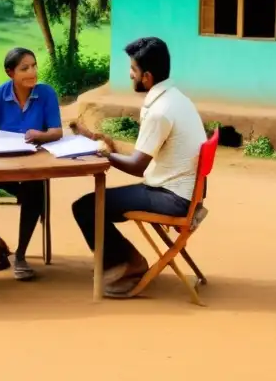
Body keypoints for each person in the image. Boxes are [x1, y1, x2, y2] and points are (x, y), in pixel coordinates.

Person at [71, 37, 206, 298]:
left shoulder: (160, 111)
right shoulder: (176, 98)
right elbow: (142, 154)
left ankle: (127, 265)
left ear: (147, 76)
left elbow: (137, 166)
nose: (129, 74)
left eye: (133, 69)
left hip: (171, 198)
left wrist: (101, 154)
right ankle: (122, 261)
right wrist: (105, 144)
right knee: (94, 205)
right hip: (183, 192)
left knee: (86, 207)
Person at [0, 47, 63, 281]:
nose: (32, 72)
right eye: (25, 68)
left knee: (35, 190)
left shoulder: (46, 93)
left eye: (34, 66)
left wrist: (40, 135)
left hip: (31, 168)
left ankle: (21, 255)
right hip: (0, 169)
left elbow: (57, 131)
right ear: (10, 73)